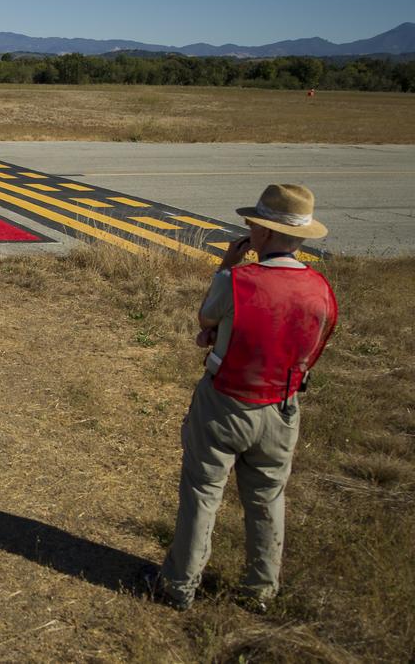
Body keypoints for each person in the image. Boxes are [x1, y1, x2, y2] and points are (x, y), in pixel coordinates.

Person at [144, 184, 337, 612]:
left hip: (227, 399)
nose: (248, 230)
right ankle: (260, 589)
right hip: (282, 404)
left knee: (202, 490)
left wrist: (225, 267)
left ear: (264, 236)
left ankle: (180, 584)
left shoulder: (238, 280)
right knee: (268, 496)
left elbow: (207, 316)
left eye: (252, 225)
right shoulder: (320, 289)